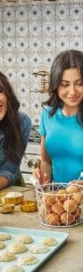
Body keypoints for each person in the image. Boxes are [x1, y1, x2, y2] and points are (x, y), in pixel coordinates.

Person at [34, 49, 83, 185]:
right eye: (64, 84)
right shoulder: (48, 115)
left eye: (79, 84)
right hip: (56, 199)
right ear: (56, 85)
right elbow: (46, 161)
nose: (72, 91)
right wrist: (42, 178)